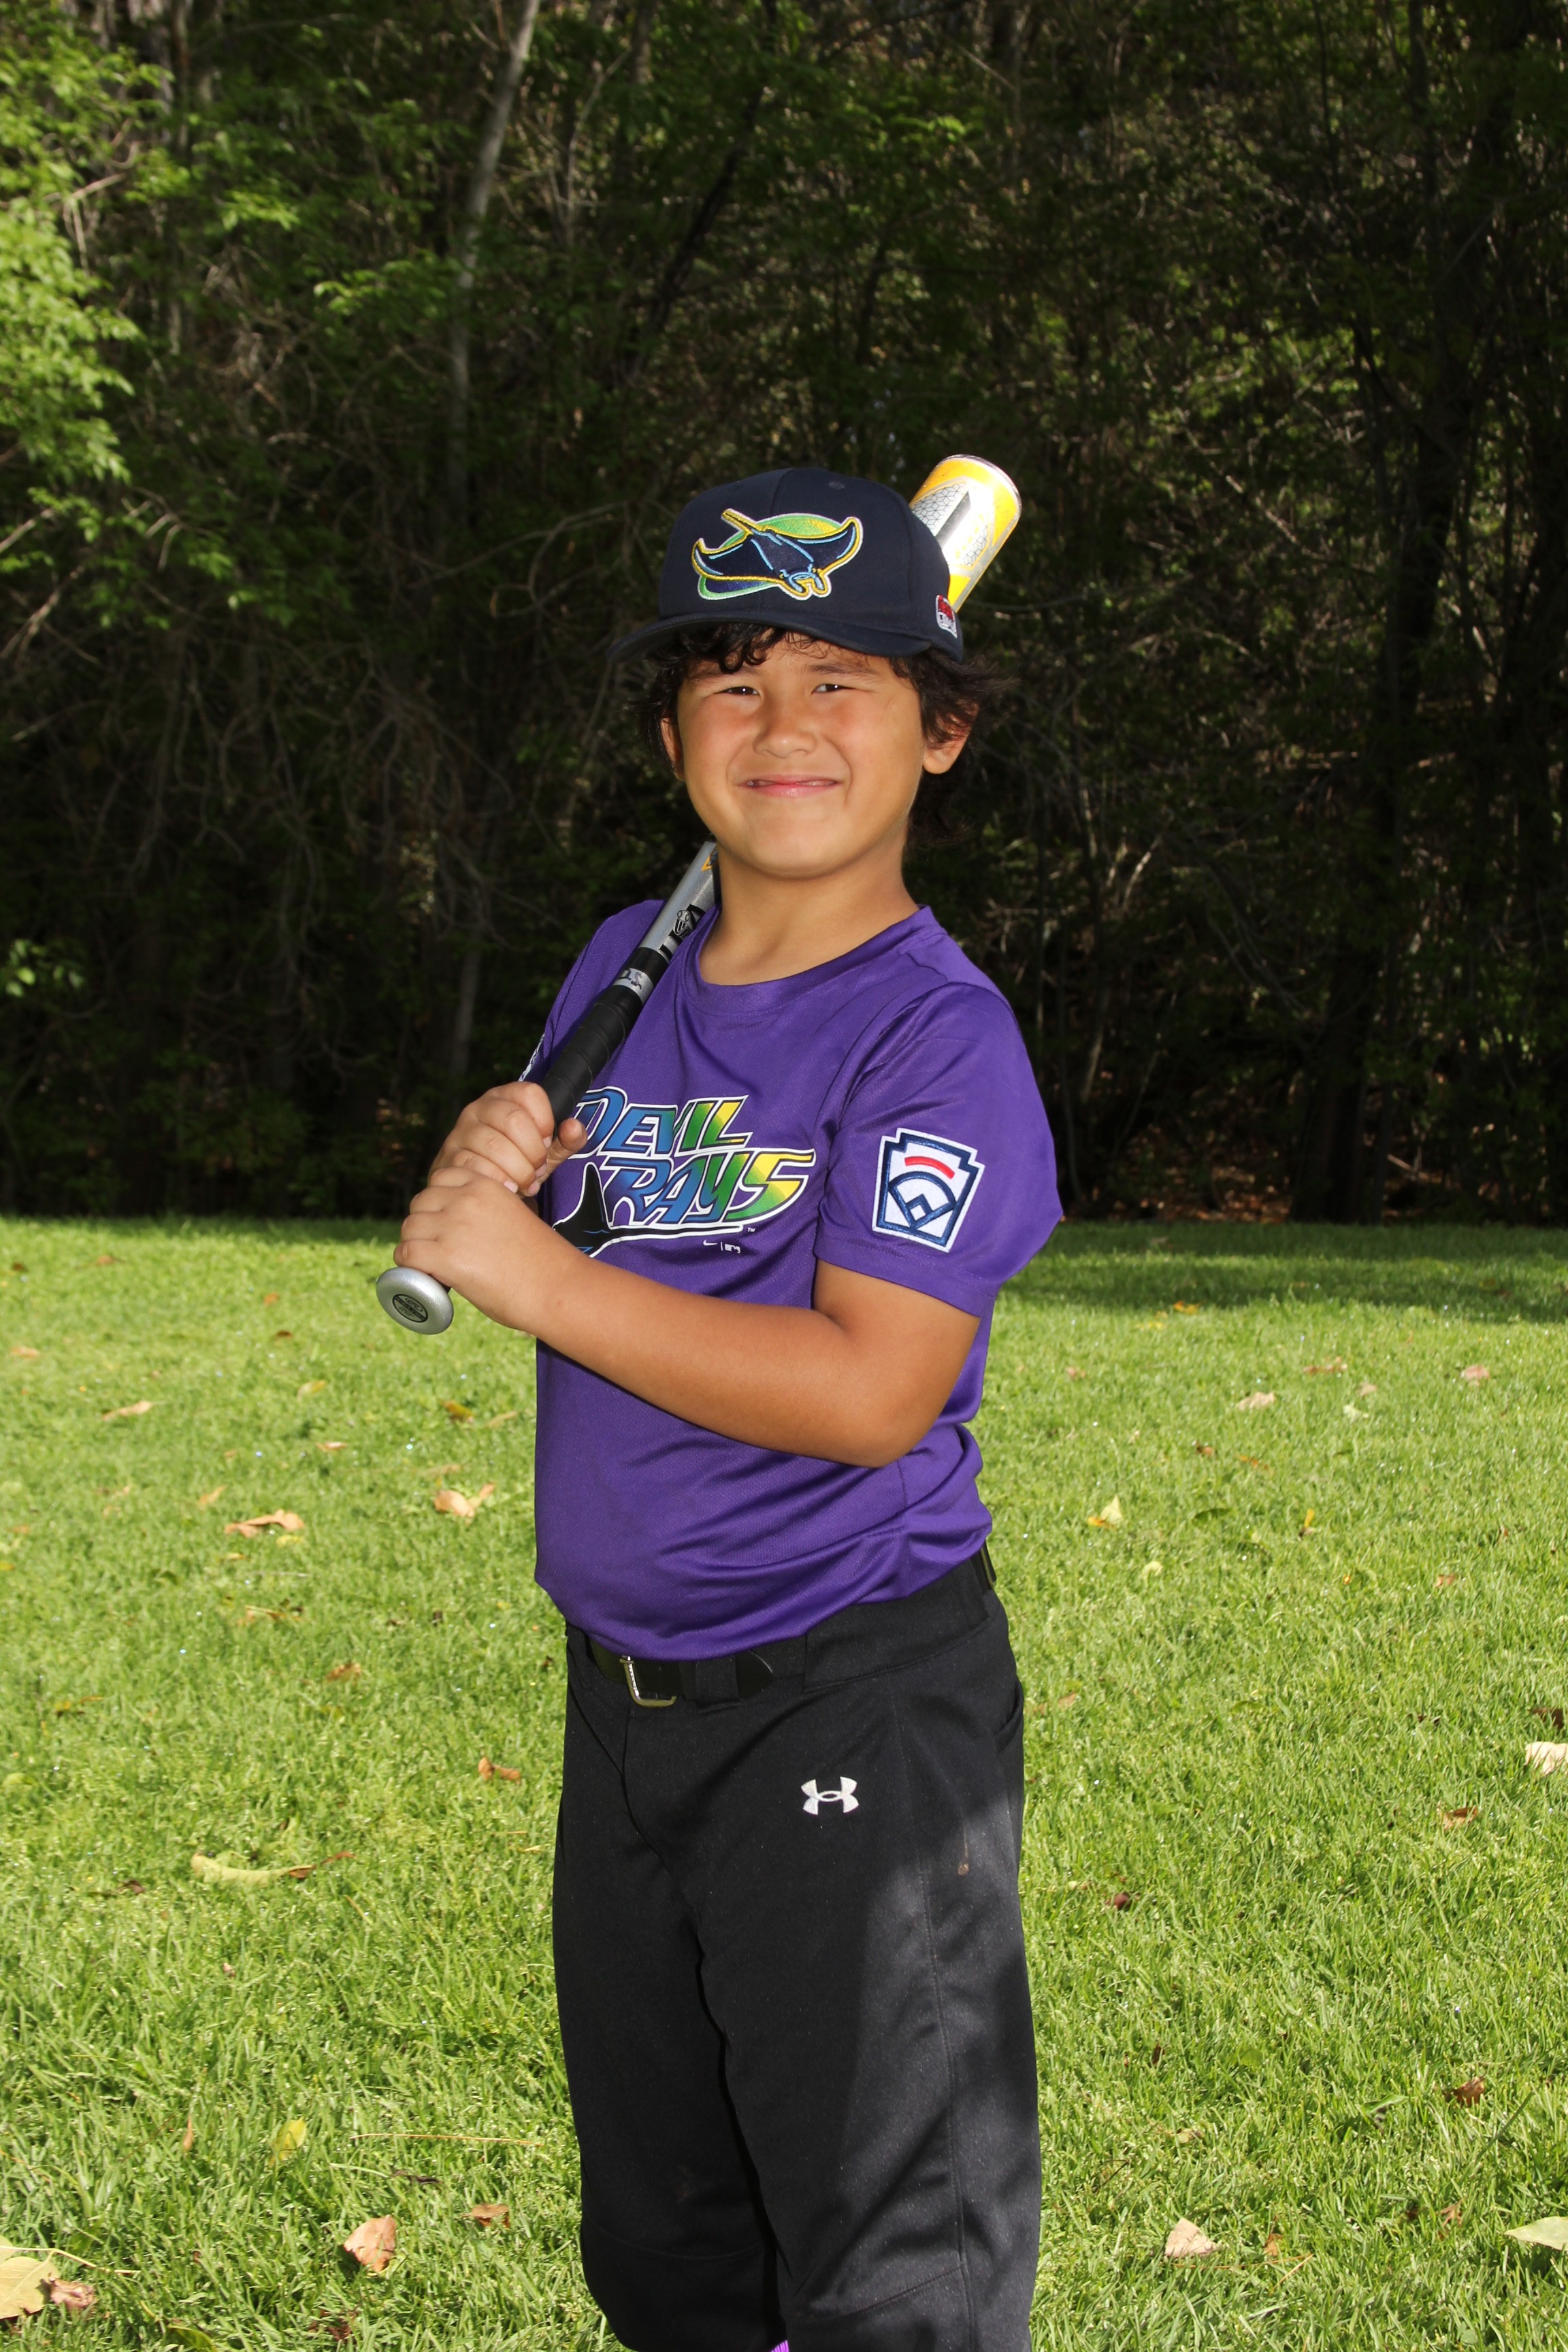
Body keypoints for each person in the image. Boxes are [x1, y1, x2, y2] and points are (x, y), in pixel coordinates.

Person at [393, 466, 1061, 2352]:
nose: (783, 728)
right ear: (672, 733)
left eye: (844, 682)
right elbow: (608, 1223)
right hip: (627, 1710)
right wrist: (516, 1169)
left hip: (850, 1697)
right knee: (676, 2249)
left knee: (891, 2264)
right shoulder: (631, 958)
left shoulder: (938, 1038)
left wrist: (534, 1279)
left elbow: (871, 1390)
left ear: (940, 733)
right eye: (734, 681)